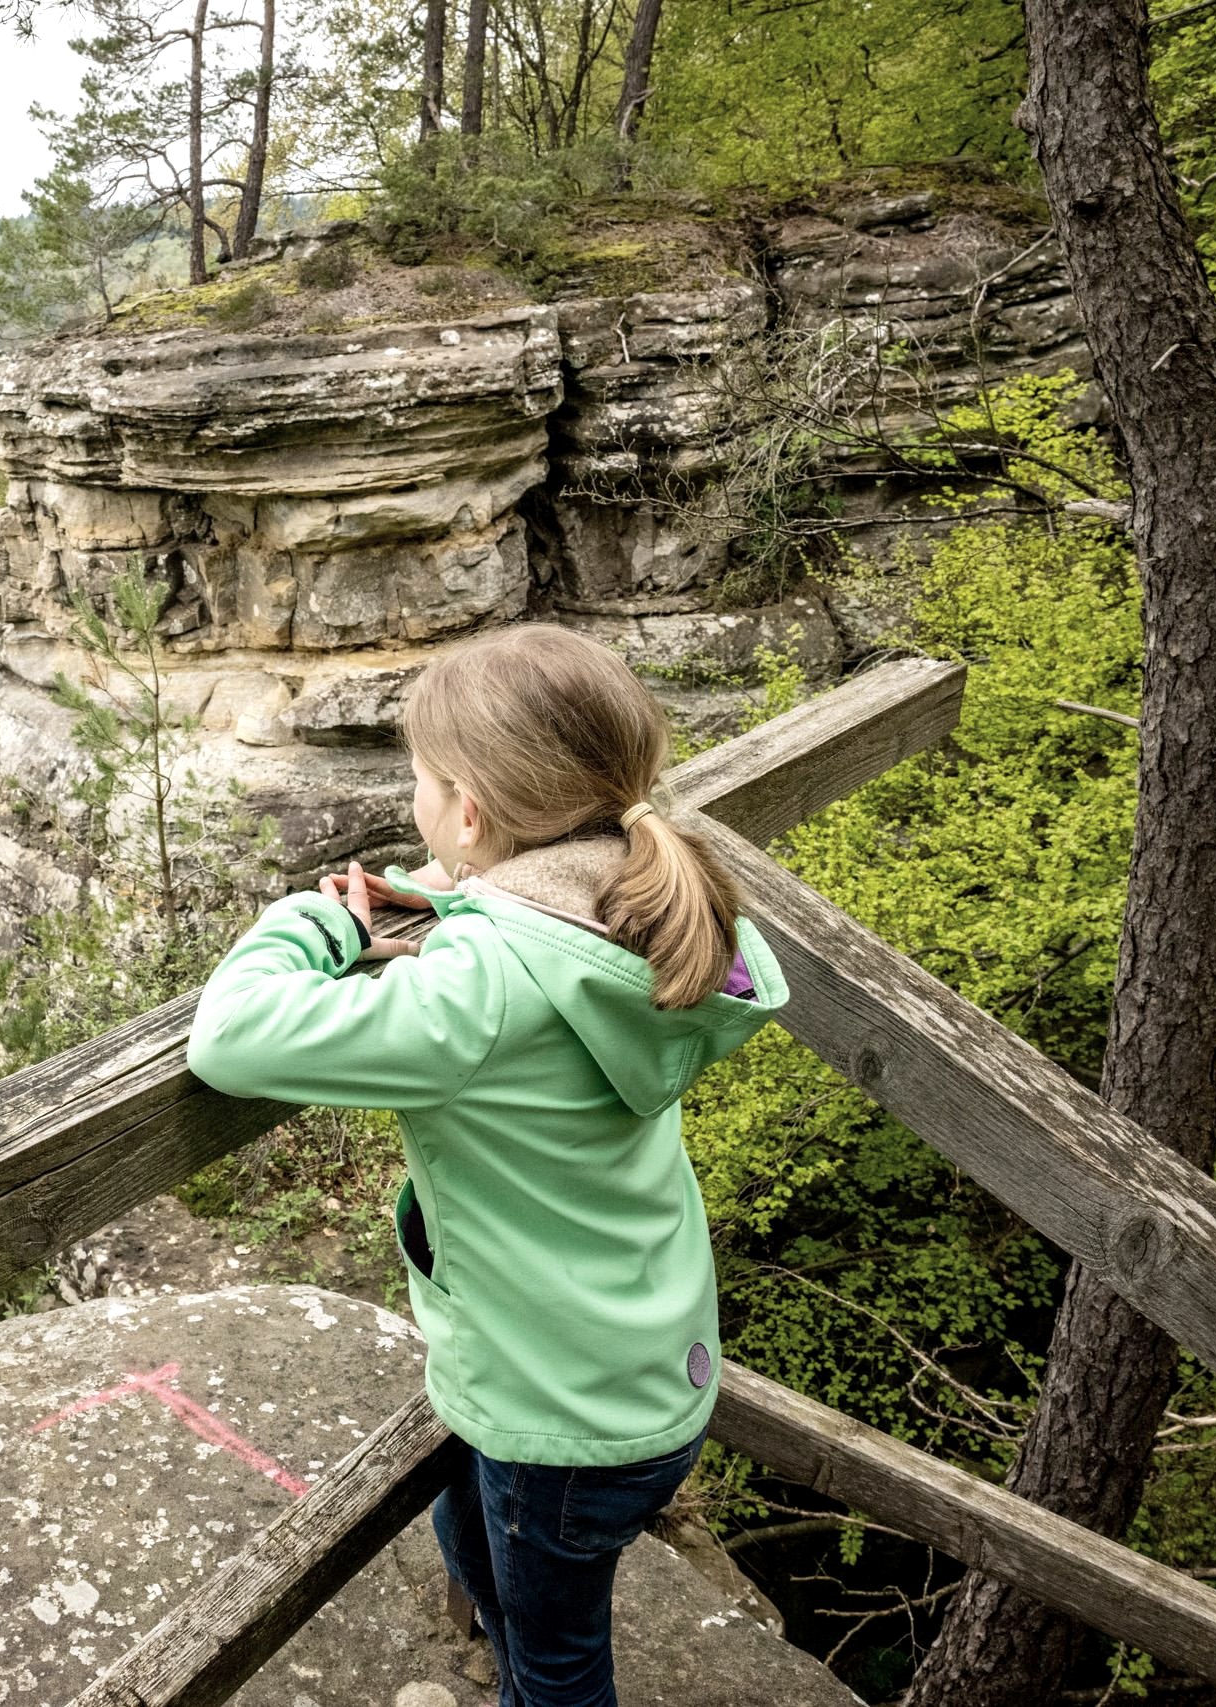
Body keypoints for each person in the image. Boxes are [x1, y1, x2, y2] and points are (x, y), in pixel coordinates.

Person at [184, 623, 789, 1707]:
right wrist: (463, 894)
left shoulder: (483, 985)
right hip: (638, 1360)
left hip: (562, 1419)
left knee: (559, 1666)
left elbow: (228, 1040)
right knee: (475, 1539)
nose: (413, 799)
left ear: (467, 812)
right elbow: (530, 934)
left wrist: (319, 921)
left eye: (421, 779)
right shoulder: (639, 896)